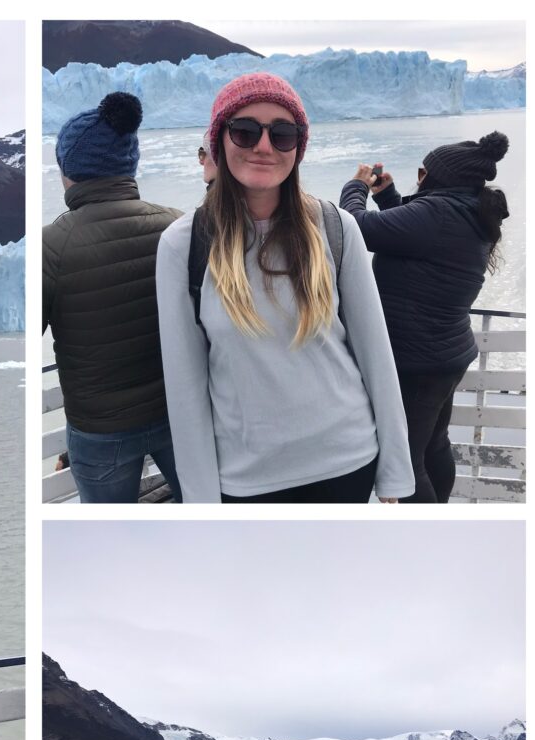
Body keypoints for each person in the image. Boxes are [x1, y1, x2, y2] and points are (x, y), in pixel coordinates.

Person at [156, 72, 414, 503]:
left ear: (298, 146)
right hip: (247, 480)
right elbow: (184, 390)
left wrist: (394, 472)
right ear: (220, 140)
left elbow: (376, 355)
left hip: (348, 463)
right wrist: (202, 506)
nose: (263, 146)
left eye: (282, 133)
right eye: (244, 130)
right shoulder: (183, 245)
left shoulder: (335, 227)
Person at [339, 132, 510, 502]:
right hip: (445, 355)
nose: (421, 178)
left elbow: (353, 228)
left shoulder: (437, 215)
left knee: (407, 462)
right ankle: (441, 515)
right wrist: (387, 197)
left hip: (418, 361)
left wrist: (356, 186)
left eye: (424, 172)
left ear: (439, 178)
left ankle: (428, 536)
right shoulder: (468, 211)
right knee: (434, 445)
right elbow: (415, 234)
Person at [43, 91, 184, 503]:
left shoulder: (53, 245)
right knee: (204, 513)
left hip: (101, 430)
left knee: (107, 537)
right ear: (129, 162)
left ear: (69, 170)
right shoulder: (177, 226)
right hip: (176, 415)